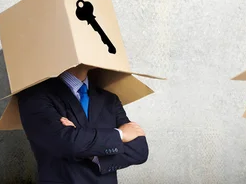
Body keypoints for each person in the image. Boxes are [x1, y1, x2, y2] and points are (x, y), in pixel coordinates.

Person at [17, 64, 149, 184]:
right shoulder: (34, 97)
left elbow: (140, 150)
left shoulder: (109, 99)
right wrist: (120, 134)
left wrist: (87, 147)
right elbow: (67, 143)